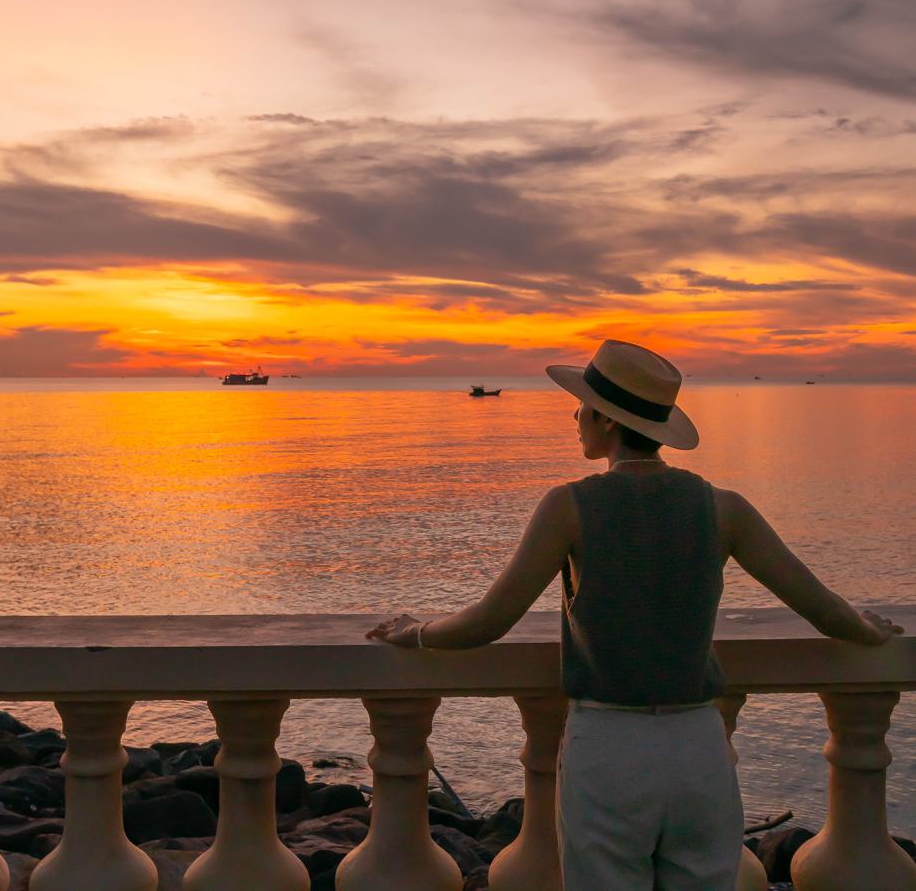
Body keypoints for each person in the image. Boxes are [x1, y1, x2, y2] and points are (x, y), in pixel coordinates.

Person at [366, 339, 902, 891]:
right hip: (699, 746)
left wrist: (417, 633)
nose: (574, 417)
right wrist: (865, 627)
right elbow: (824, 610)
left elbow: (487, 622)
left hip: (608, 747)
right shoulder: (724, 508)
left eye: (580, 406)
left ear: (603, 418)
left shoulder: (568, 506)